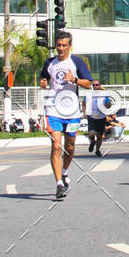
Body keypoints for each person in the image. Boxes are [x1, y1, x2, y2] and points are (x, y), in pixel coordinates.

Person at [40, 31, 91, 199]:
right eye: (58, 45)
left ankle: (64, 171)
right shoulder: (49, 62)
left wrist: (75, 80)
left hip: (72, 111)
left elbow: (89, 84)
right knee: (56, 145)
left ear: (70, 46)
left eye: (64, 45)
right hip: (53, 109)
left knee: (69, 146)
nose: (60, 48)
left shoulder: (76, 62)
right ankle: (59, 184)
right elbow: (44, 79)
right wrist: (43, 83)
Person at [87, 79, 112, 157]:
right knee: (91, 134)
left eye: (97, 85)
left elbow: (108, 104)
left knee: (99, 135)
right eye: (94, 85)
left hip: (101, 118)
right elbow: (85, 103)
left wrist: (108, 105)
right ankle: (92, 142)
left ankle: (97, 150)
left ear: (100, 85)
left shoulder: (104, 95)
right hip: (92, 117)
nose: (95, 86)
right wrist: (85, 112)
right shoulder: (89, 94)